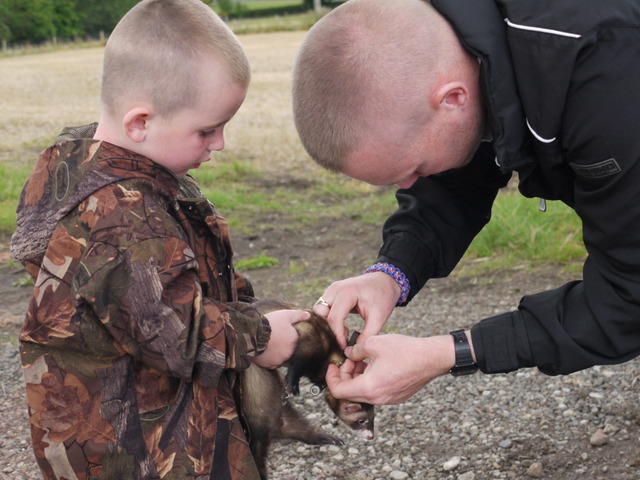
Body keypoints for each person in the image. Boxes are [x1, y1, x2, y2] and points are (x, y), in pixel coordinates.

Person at [10, 1, 309, 478]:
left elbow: (187, 277)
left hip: (146, 424)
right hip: (141, 450)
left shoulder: (124, 173)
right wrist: (260, 337)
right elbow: (176, 336)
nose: (220, 144)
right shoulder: (123, 218)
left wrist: (253, 307)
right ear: (140, 123)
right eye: (207, 129)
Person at [291, 0, 640, 405]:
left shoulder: (607, 71)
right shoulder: (471, 43)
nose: (412, 184)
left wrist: (450, 353)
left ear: (453, 99)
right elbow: (459, 177)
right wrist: (390, 273)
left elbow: (629, 295)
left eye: (417, 169)